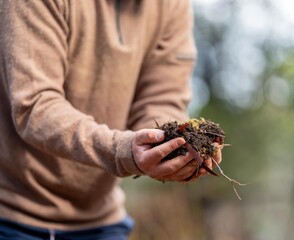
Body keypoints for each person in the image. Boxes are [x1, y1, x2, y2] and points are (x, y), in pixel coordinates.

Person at [0, 0, 222, 239]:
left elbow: (161, 99)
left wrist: (172, 146)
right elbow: (35, 107)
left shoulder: (172, 6)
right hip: (14, 214)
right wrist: (122, 149)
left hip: (102, 219)